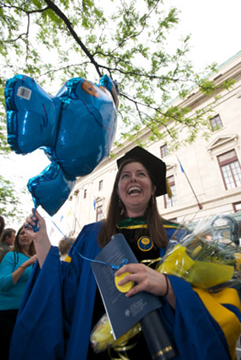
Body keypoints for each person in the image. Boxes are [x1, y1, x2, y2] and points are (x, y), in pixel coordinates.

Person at [9, 147, 241, 360]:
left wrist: (169, 287)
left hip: (160, 348)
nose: (133, 179)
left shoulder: (179, 236)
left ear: (153, 188)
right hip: (97, 350)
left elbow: (218, 296)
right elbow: (68, 288)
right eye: (125, 176)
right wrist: (41, 243)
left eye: (141, 174)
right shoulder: (91, 236)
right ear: (118, 191)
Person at [0, 225, 37, 360]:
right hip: (6, 313)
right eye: (22, 233)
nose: (25, 236)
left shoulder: (37, 258)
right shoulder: (12, 256)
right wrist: (25, 265)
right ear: (17, 238)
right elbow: (3, 284)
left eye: (28, 233)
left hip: (25, 312)